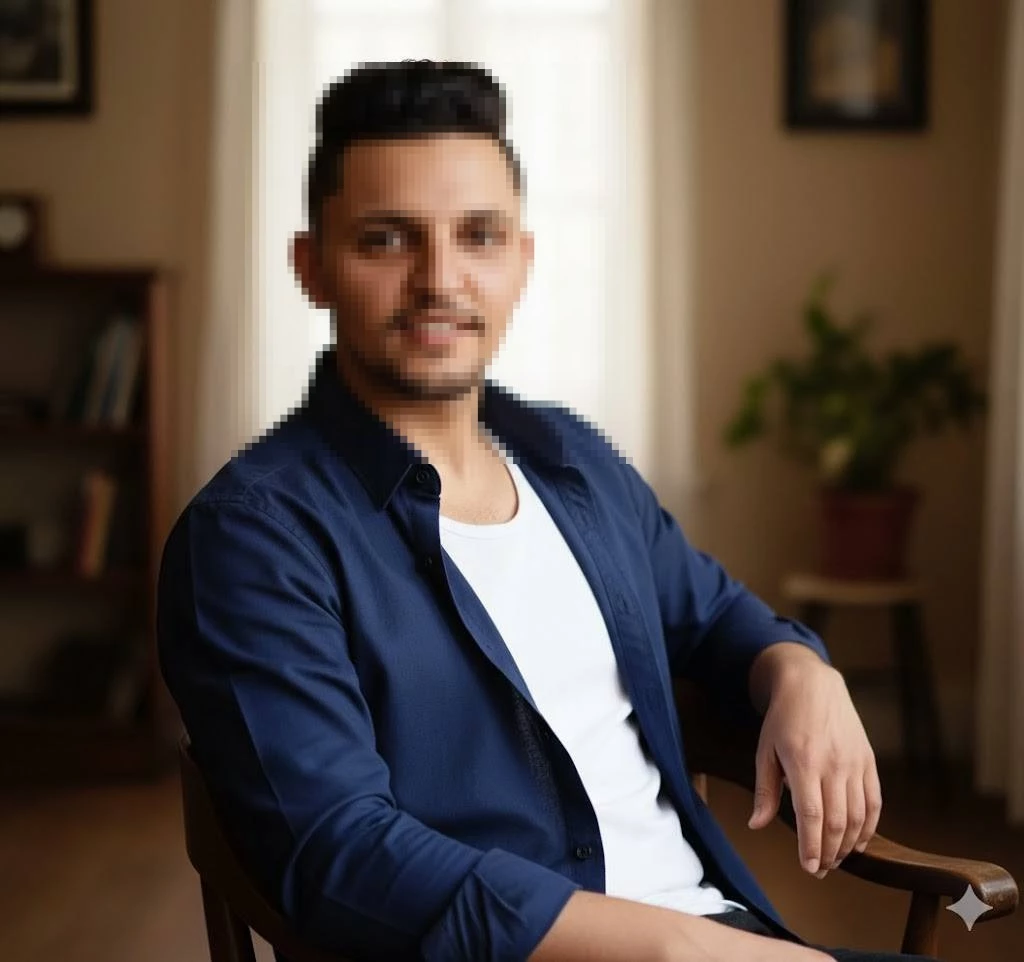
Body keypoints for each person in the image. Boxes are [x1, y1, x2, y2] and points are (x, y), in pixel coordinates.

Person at [157, 60, 938, 962]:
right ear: (312, 266)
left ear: (522, 260)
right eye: (385, 239)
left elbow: (718, 616)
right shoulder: (254, 538)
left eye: (479, 235)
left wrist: (802, 672)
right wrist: (679, 950)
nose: (439, 281)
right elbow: (342, 859)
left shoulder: (572, 461)